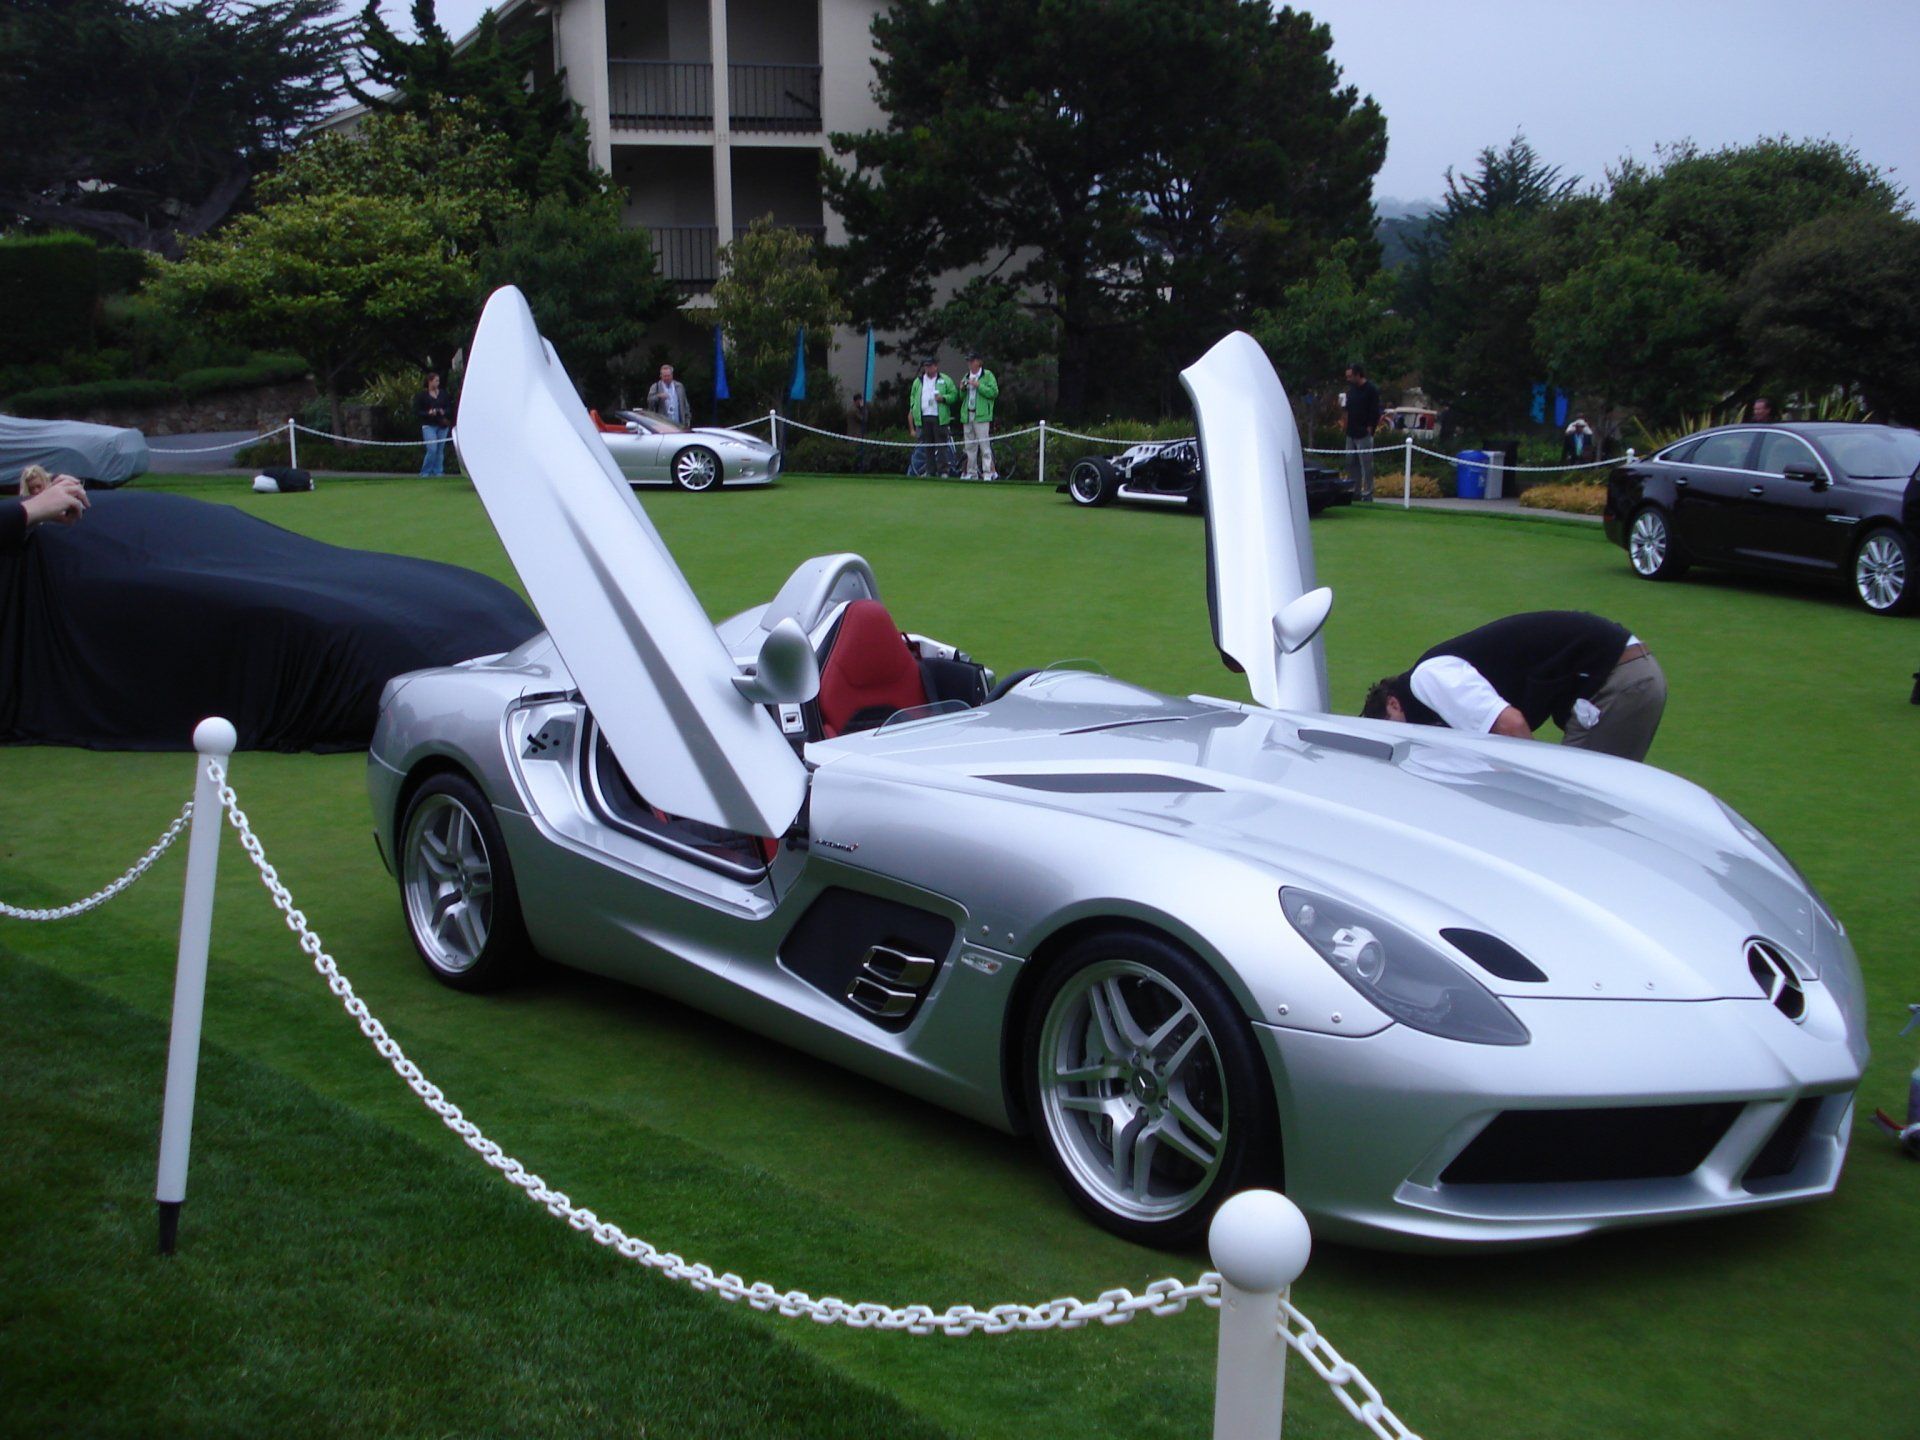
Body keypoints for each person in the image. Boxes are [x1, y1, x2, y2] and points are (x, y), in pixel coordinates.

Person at [1361, 610, 1666, 762]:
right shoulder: (1428, 698)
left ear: (1393, 703)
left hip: (1619, 678)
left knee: (1579, 804)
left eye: (1393, 727)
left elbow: (1511, 726)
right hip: (1617, 676)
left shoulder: (1428, 677)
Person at [2, 465, 89, 552]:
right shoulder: (24, 505)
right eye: (31, 488)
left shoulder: (59, 500)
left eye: (38, 486)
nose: (36, 491)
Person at [907, 358, 956, 478]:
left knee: (941, 445)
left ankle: (943, 471)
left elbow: (954, 395)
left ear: (936, 366)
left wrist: (943, 398)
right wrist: (914, 407)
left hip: (939, 417)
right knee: (927, 445)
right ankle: (930, 470)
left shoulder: (945, 380)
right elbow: (913, 396)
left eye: (930, 366)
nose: (927, 368)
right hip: (924, 417)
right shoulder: (918, 381)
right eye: (926, 366)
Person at [1342, 362, 1381, 501]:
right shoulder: (1351, 391)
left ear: (1358, 375)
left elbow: (1375, 411)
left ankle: (1368, 493)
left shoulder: (1371, 390)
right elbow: (1347, 409)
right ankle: (1355, 491)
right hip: (1351, 432)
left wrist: (1370, 428)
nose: (1348, 379)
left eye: (1350, 376)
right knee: (1351, 464)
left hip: (1363, 433)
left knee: (1366, 465)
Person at [958, 351, 999, 480]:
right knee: (970, 446)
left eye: (972, 360)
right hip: (968, 414)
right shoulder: (966, 376)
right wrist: (962, 389)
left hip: (981, 415)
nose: (969, 363)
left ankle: (988, 472)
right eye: (968, 361)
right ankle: (971, 472)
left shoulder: (987, 375)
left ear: (978, 362)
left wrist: (979, 385)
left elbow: (993, 392)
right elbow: (961, 397)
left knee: (984, 445)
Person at [415, 372, 453, 477]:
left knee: (440, 450)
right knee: (432, 449)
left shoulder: (443, 394)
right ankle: (425, 472)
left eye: (438, 381)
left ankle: (438, 471)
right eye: (436, 380)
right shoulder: (422, 395)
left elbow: (449, 408)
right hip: (429, 425)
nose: (438, 383)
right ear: (430, 381)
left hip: (442, 425)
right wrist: (428, 413)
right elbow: (417, 411)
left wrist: (443, 412)